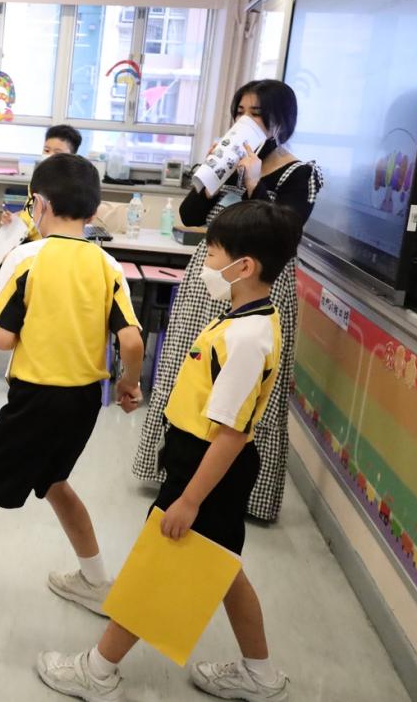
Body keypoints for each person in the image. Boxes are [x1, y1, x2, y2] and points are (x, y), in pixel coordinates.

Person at [36, 201, 300, 702]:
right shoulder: (246, 318)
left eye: (213, 253)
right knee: (223, 567)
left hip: (206, 469)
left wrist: (189, 500)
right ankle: (261, 675)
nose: (205, 263)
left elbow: (231, 434)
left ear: (244, 266)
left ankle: (98, 671)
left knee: (157, 570)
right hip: (201, 461)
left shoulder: (247, 338)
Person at [0, 154, 144, 677]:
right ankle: (95, 581)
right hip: (84, 401)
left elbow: (2, 338)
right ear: (93, 211)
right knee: (55, 483)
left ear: (39, 204)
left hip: (34, 400)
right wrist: (128, 383)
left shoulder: (27, 256)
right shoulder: (107, 264)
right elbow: (131, 340)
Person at [131, 80, 324, 523]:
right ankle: (173, 469)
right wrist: (214, 171)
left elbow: (285, 233)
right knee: (189, 367)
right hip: (210, 278)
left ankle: (238, 491)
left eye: (256, 113)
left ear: (280, 121)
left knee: (242, 385)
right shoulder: (228, 161)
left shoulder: (300, 173)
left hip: (259, 283)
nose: (245, 121)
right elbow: (189, 216)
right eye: (240, 111)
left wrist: (254, 184)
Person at [1, 124, 84, 243]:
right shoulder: (38, 178)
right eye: (46, 150)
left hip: (46, 243)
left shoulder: (71, 188)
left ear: (72, 156)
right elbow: (30, 210)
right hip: (25, 236)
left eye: (57, 152)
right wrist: (14, 218)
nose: (49, 155)